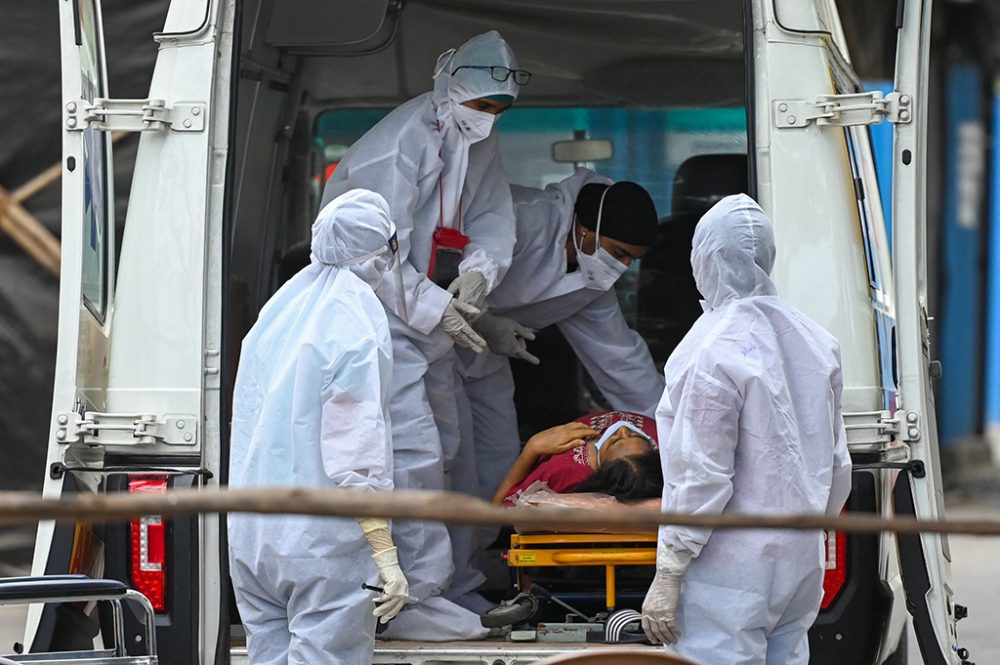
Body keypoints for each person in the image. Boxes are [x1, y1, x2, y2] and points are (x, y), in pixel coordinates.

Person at [320, 30, 528, 640]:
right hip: (378, 321)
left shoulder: (472, 137)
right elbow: (374, 255)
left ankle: (453, 582)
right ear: (449, 86)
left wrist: (477, 280)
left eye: (499, 109)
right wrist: (436, 304)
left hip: (422, 322)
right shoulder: (400, 144)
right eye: (481, 106)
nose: (489, 120)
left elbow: (493, 216)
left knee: (449, 450)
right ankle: (410, 596)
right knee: (410, 456)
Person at [641, 194, 853, 663]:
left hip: (728, 571)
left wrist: (671, 568)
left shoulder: (709, 350)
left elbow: (701, 473)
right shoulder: (817, 341)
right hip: (800, 559)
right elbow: (838, 460)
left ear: (704, 259)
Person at [447, 169, 665, 609]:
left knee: (492, 462)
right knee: (445, 465)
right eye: (619, 253)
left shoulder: (590, 283)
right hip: (431, 345)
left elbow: (623, 363)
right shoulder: (524, 219)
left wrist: (674, 429)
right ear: (586, 231)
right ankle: (439, 589)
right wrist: (478, 318)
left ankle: (470, 584)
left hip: (487, 360)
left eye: (632, 261)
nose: (622, 268)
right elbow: (426, 272)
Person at [228, 190, 409, 665]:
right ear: (380, 253)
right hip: (319, 546)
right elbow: (357, 452)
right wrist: (384, 553)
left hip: (253, 539)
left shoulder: (279, 311)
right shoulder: (356, 323)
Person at [492, 411, 663, 506]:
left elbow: (499, 508)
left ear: (600, 471)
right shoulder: (664, 441)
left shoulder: (563, 472)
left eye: (614, 440)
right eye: (636, 435)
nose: (623, 429)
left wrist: (532, 448)